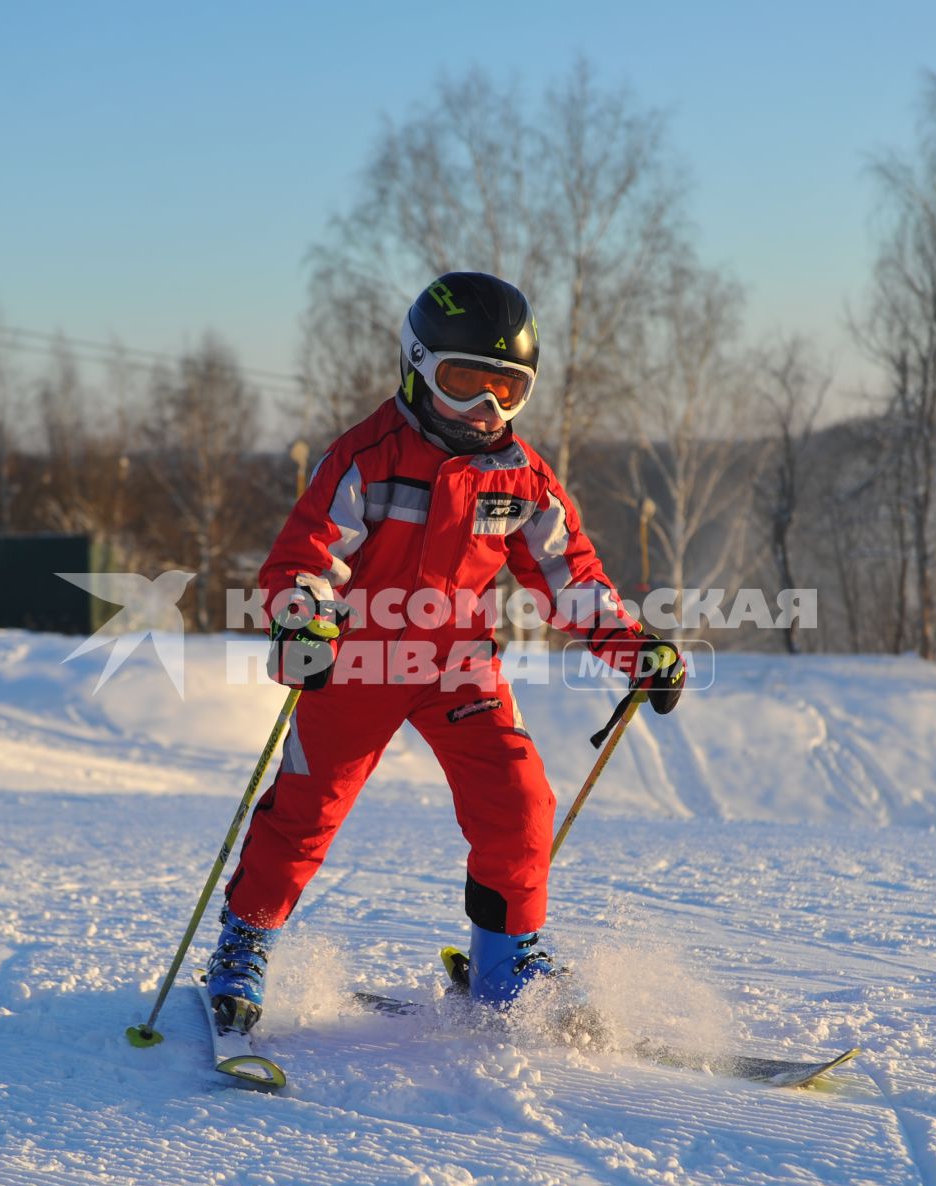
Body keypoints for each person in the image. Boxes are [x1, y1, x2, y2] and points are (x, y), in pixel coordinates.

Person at [204, 272, 685, 1031]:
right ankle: (245, 941)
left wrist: (635, 649)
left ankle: (504, 963)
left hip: (459, 660)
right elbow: (306, 558)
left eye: (507, 389)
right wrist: (303, 619)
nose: (486, 409)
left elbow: (570, 575)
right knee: (306, 807)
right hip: (358, 657)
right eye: (464, 384)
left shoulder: (521, 477)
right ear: (419, 367)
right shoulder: (366, 457)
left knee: (521, 798)